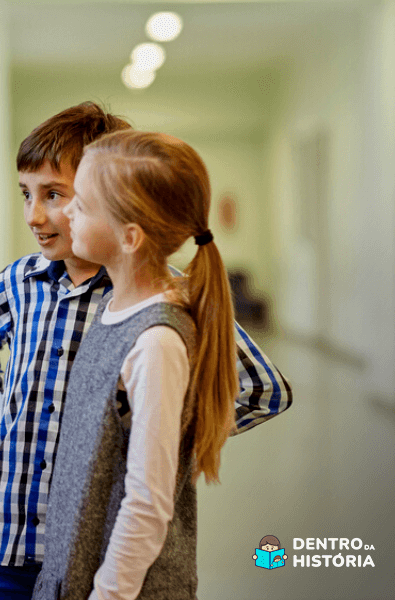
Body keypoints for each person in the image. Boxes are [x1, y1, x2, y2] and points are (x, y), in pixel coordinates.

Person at [0, 103, 292, 599]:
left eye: (58, 195)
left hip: (95, 557)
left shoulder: (162, 300)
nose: (34, 215)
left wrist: (160, 434)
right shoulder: (20, 284)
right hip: (6, 544)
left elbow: (264, 391)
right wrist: (1, 416)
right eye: (26, 194)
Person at [33, 129, 247, 598]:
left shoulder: (156, 342)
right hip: (76, 573)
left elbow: (147, 504)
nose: (67, 210)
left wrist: (108, 593)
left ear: (130, 237)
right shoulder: (113, 310)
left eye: (83, 205)